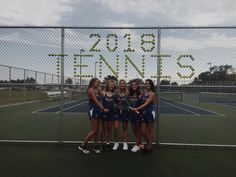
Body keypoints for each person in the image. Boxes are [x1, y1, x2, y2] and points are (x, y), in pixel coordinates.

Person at [78, 78, 109, 154]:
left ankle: (95, 146)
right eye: (95, 82)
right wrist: (103, 108)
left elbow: (102, 96)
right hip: (93, 110)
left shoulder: (97, 89)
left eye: (98, 82)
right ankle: (82, 145)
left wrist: (100, 90)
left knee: (97, 130)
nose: (96, 83)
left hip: (98, 111)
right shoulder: (91, 89)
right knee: (94, 130)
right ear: (92, 82)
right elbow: (95, 100)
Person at [132, 79, 156, 152]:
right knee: (142, 131)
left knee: (150, 131)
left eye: (148, 83)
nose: (147, 85)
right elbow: (138, 98)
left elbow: (147, 103)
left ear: (151, 84)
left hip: (150, 113)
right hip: (143, 113)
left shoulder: (152, 93)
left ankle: (149, 146)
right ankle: (149, 143)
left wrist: (137, 108)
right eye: (146, 83)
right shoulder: (143, 92)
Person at [113, 79, 129, 150]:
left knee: (125, 128)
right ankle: (116, 143)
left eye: (123, 83)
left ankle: (125, 143)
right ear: (119, 85)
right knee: (116, 128)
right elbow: (113, 102)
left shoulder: (128, 93)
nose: (122, 85)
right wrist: (117, 106)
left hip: (125, 112)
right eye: (120, 83)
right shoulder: (116, 92)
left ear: (125, 84)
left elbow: (129, 103)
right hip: (117, 112)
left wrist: (125, 107)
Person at [100, 79, 116, 151]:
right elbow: (99, 103)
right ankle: (102, 144)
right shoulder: (103, 93)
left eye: (113, 85)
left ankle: (108, 143)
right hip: (105, 113)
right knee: (104, 129)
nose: (112, 86)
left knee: (109, 129)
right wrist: (103, 109)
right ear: (107, 85)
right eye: (110, 84)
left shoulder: (114, 94)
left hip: (112, 113)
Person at [127, 80, 143, 152]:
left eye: (135, 85)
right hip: (131, 114)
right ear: (131, 86)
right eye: (132, 85)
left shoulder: (140, 94)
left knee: (138, 129)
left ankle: (136, 145)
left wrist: (138, 109)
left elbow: (143, 104)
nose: (134, 86)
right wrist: (130, 108)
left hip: (138, 114)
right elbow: (127, 104)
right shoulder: (129, 95)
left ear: (137, 86)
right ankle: (140, 144)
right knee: (134, 130)